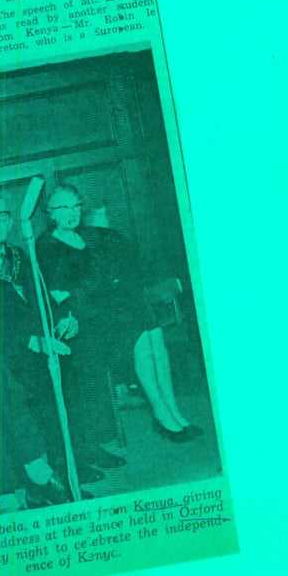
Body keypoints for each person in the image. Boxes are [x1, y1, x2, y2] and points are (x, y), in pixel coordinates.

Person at [36, 184, 202, 460]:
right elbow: (59, 294)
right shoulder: (47, 245)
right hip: (84, 318)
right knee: (139, 328)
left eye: (76, 206)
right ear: (50, 213)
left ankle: (174, 410)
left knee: (152, 329)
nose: (71, 213)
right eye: (63, 207)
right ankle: (162, 415)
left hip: (110, 307)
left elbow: (119, 261)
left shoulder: (89, 236)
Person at [0, 192, 86, 508]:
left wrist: (62, 319)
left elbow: (42, 297)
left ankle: (56, 469)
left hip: (36, 351)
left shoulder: (19, 256)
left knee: (60, 385)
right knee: (5, 388)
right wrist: (33, 342)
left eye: (3, 215)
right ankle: (38, 476)